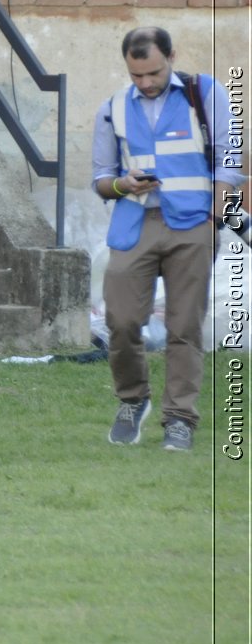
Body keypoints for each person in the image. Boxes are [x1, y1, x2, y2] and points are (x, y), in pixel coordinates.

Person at [93, 26, 243, 452]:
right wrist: (122, 184)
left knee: (184, 327)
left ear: (171, 57)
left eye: (154, 73)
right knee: (120, 321)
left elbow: (229, 162)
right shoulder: (113, 108)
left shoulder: (204, 94)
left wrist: (214, 218)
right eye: (137, 75)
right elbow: (100, 179)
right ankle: (132, 400)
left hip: (193, 224)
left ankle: (180, 420)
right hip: (134, 225)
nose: (146, 83)